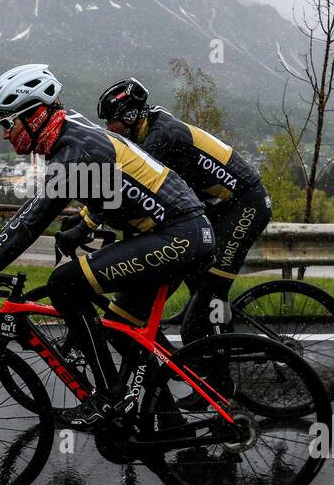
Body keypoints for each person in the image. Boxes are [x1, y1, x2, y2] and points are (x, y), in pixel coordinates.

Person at [0, 64, 214, 422]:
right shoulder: (67, 131)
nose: (4, 134)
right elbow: (34, 212)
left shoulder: (76, 149)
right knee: (123, 331)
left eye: (7, 123)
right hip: (172, 232)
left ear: (33, 115)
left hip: (177, 235)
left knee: (66, 284)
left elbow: (33, 221)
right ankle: (167, 424)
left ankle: (109, 395)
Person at [95, 78, 270, 345]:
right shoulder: (151, 126)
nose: (108, 128)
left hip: (245, 205)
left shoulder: (161, 135)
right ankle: (213, 322)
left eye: (110, 120)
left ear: (129, 116)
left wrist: (90, 219)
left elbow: (129, 184)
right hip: (220, 206)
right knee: (192, 267)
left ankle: (220, 367)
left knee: (205, 305)